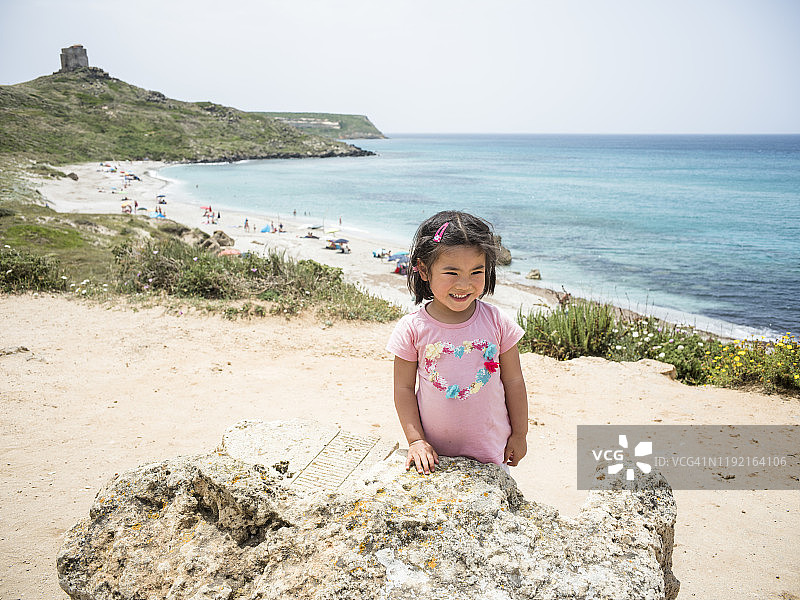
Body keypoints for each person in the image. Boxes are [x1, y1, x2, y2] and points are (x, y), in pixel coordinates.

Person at [386, 210, 528, 476]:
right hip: (434, 456)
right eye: (451, 272)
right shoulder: (412, 328)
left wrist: (520, 433)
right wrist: (416, 441)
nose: (465, 284)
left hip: (492, 451)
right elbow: (404, 389)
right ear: (425, 271)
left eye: (477, 271)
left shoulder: (498, 322)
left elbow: (514, 382)